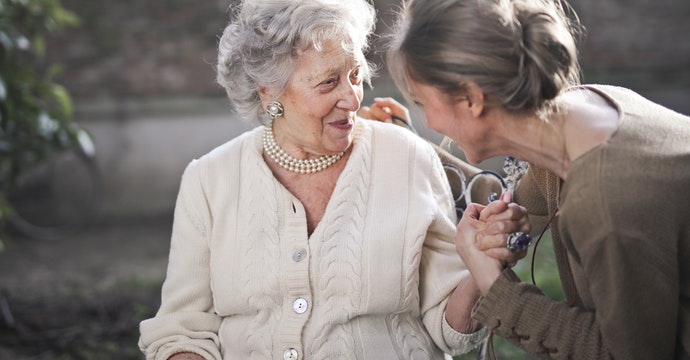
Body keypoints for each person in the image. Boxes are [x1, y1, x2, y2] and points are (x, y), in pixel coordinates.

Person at [137, 1, 530, 359]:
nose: (352, 98)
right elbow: (182, 330)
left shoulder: (407, 159)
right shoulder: (209, 180)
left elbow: (451, 329)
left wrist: (482, 262)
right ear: (269, 93)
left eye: (355, 75)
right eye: (328, 82)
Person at [384, 0, 690, 359]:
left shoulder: (605, 203)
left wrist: (494, 285)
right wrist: (402, 144)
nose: (430, 123)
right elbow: (509, 200)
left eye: (422, 103)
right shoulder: (585, 112)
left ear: (471, 99)